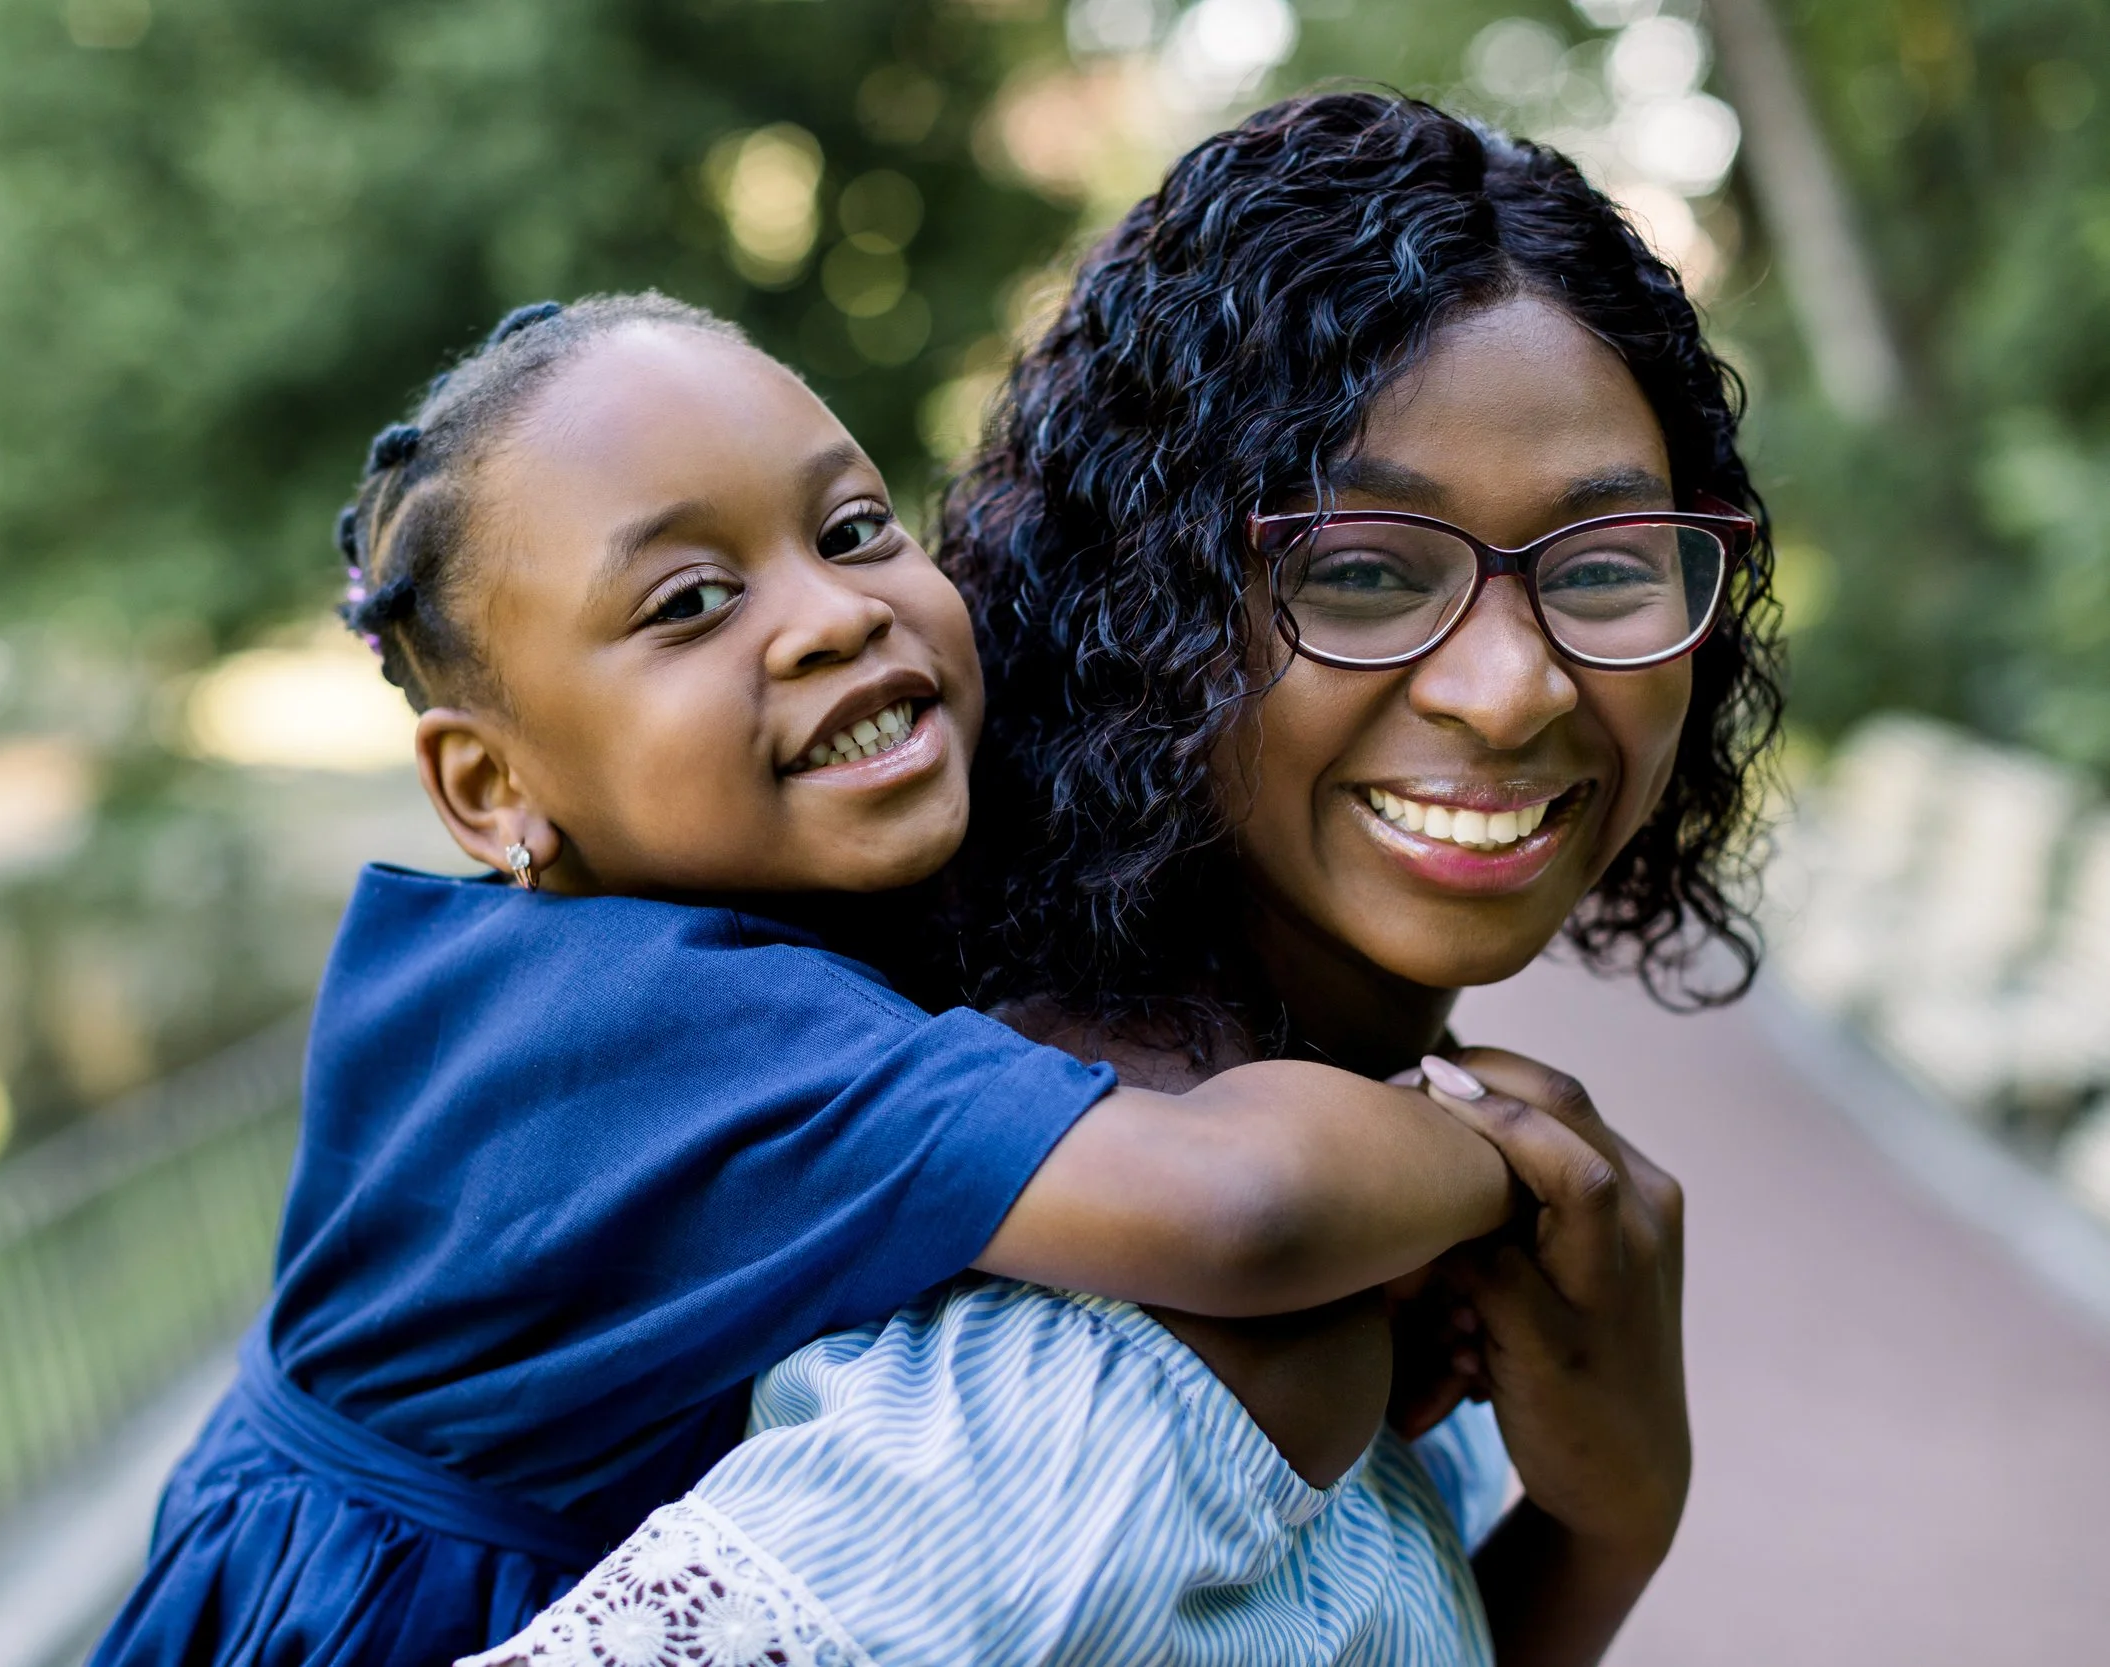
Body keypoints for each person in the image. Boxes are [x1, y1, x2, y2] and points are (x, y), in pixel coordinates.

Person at [471, 93, 1774, 1667]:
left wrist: (1609, 1517)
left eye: (1606, 563)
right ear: (1154, 608)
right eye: (1359, 567)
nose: (1512, 690)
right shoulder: (1134, 1340)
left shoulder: (1308, 1194)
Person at [88, 292, 1527, 1666]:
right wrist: (1507, 1154)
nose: (830, 613)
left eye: (852, 528)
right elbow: (1243, 1207)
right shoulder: (652, 1020)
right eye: (691, 601)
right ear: (491, 781)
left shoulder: (604, 953)